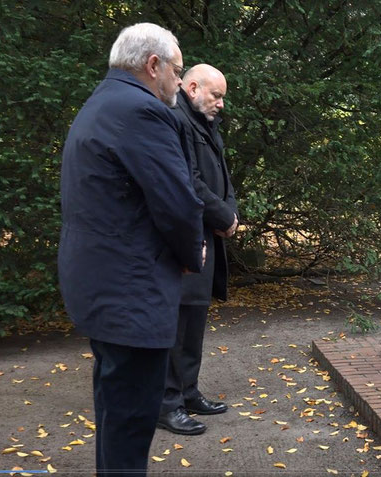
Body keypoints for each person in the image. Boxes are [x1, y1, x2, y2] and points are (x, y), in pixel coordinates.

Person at [59, 23, 205, 475]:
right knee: (131, 421)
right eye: (177, 70)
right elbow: (178, 202)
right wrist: (191, 254)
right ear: (153, 65)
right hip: (132, 293)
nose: (179, 81)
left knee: (115, 413)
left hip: (101, 289)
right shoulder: (142, 111)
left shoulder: (101, 101)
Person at [157, 64, 238, 435]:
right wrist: (222, 215)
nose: (221, 103)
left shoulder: (206, 124)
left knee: (194, 322)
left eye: (222, 97)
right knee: (176, 325)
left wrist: (229, 213)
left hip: (206, 234)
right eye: (215, 95)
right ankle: (167, 403)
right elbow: (188, 181)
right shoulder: (178, 120)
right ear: (192, 87)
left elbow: (222, 176)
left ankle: (188, 392)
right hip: (185, 239)